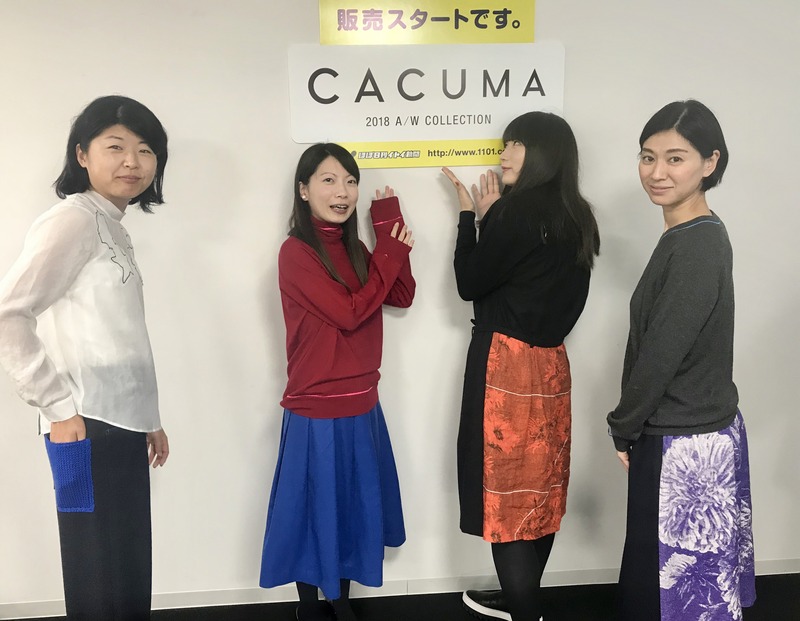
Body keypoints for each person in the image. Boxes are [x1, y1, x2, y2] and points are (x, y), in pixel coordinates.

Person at [0, 95, 170, 620]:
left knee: (127, 565)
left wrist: (149, 419)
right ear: (81, 154)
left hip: (119, 423)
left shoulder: (111, 224)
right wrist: (57, 408)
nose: (132, 162)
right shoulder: (72, 220)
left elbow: (119, 333)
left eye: (145, 150)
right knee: (97, 570)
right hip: (83, 425)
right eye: (115, 147)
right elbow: (9, 314)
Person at [442, 111, 600, 621]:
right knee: (540, 495)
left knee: (505, 502)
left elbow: (470, 282)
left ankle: (525, 610)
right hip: (551, 368)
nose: (504, 154)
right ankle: (521, 596)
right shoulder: (578, 216)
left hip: (504, 368)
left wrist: (472, 218)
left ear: (545, 154)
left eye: (517, 144)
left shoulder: (516, 213)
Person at [607, 100, 755, 620]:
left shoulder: (696, 245)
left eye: (676, 158)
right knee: (677, 590)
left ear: (710, 162)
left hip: (683, 441)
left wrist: (623, 425)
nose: (657, 172)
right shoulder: (692, 233)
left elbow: (661, 354)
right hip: (692, 429)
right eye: (648, 157)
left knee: (670, 595)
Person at [259, 143, 415, 621]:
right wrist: (389, 250)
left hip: (363, 404)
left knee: (348, 510)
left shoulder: (356, 248)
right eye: (328, 180)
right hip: (317, 408)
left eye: (350, 181)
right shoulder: (295, 252)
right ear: (304, 190)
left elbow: (401, 294)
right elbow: (349, 313)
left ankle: (340, 599)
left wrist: (387, 225)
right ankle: (311, 607)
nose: (343, 192)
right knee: (313, 512)